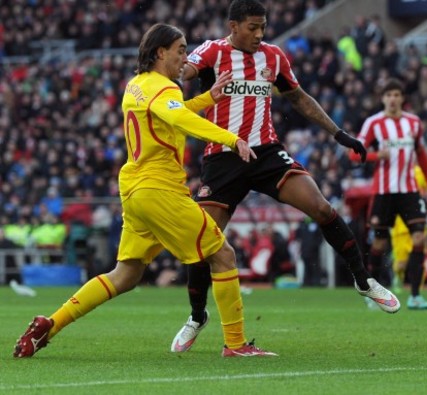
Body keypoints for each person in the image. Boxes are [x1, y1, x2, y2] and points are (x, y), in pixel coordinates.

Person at [13, 23, 276, 358]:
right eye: (180, 50)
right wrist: (230, 137)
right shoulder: (165, 89)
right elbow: (180, 119)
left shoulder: (135, 86)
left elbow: (171, 115)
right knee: (223, 256)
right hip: (159, 190)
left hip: (135, 191)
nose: (185, 57)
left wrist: (208, 99)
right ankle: (236, 345)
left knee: (125, 274)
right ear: (160, 52)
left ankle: (49, 325)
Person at [171, 0, 400, 353]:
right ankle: (197, 316)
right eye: (252, 27)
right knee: (203, 242)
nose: (259, 34)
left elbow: (299, 98)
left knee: (322, 208)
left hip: (266, 153)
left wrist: (339, 134)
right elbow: (181, 71)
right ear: (233, 26)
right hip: (223, 156)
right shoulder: (213, 51)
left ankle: (363, 279)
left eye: (263, 26)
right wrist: (173, 71)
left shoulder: (274, 56)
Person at [349, 78, 427, 310]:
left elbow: (422, 155)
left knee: (419, 238)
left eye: (396, 95)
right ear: (383, 98)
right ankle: (373, 293)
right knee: (378, 243)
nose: (393, 99)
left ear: (402, 98)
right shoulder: (373, 123)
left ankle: (415, 295)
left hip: (409, 191)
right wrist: (376, 156)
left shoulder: (414, 123)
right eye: (388, 95)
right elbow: (353, 155)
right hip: (383, 193)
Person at [389, 165, 427, 308]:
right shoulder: (393, 172)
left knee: (418, 257)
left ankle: (416, 293)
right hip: (399, 226)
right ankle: (397, 277)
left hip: (417, 221)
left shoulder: (418, 171)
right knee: (401, 263)